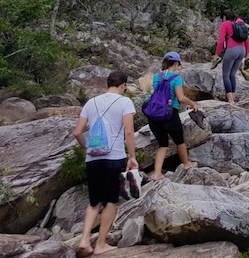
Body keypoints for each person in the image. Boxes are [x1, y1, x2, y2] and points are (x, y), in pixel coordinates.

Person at [73, 70, 138, 257]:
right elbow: (128, 131)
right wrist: (132, 156)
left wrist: (88, 148)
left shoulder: (91, 102)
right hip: (114, 158)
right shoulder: (125, 102)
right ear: (123, 85)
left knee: (94, 201)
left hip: (92, 158)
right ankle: (100, 244)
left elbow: (77, 132)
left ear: (107, 83)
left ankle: (85, 240)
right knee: (110, 201)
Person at [146, 51, 201, 180]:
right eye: (178, 64)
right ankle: (187, 164)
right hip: (170, 114)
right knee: (179, 141)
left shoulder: (155, 76)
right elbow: (181, 98)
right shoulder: (176, 78)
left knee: (163, 144)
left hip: (154, 115)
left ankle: (157, 174)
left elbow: (152, 94)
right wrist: (193, 104)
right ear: (176, 63)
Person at [215, 10, 249, 104]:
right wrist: (247, 53)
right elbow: (246, 40)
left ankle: (230, 100)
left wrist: (217, 54)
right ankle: (232, 97)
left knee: (226, 75)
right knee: (232, 74)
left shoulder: (225, 24)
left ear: (225, 17)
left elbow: (221, 41)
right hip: (242, 50)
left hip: (232, 50)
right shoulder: (239, 23)